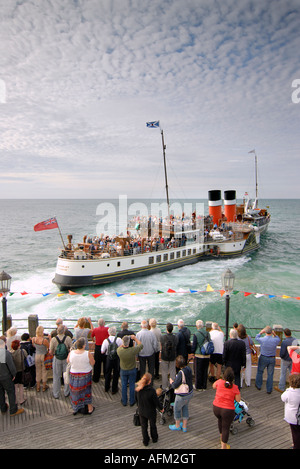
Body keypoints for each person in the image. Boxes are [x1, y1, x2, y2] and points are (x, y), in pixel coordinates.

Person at [212, 366, 241, 449]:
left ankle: (221, 438)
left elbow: (214, 386)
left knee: (220, 421)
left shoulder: (219, 382)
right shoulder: (235, 387)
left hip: (216, 408)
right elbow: (238, 400)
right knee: (226, 427)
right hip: (227, 410)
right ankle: (223, 446)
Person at [67, 337, 95, 415]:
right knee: (86, 391)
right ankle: (89, 408)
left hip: (74, 374)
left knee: (75, 392)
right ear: (83, 346)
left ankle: (75, 408)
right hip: (85, 375)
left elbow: (68, 361)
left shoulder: (71, 353)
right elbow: (92, 363)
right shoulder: (87, 353)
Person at [135, 372, 163, 446]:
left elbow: (137, 400)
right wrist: (161, 408)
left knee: (144, 427)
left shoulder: (138, 390)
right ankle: (154, 438)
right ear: (149, 381)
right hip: (151, 411)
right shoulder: (151, 391)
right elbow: (156, 401)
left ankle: (145, 441)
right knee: (152, 425)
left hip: (141, 411)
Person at [0, 338, 24, 417]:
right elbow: (11, 366)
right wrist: (14, 374)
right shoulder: (6, 354)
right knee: (11, 392)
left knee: (1, 393)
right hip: (6, 377)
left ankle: (3, 408)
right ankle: (13, 410)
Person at [169, 355, 193, 432]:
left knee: (177, 409)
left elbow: (175, 385)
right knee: (185, 408)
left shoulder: (181, 372)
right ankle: (185, 426)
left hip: (182, 395)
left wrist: (172, 382)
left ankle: (177, 425)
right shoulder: (188, 369)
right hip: (189, 392)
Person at [117, 335, 143, 407]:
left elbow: (120, 347)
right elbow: (141, 345)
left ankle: (124, 401)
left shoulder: (119, 351)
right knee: (132, 385)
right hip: (132, 369)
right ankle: (132, 401)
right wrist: (135, 338)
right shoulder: (132, 350)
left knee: (124, 385)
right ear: (129, 343)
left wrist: (123, 343)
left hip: (123, 370)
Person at [255, 326, 281, 394]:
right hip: (272, 358)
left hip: (263, 357)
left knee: (260, 371)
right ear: (271, 332)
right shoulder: (275, 340)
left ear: (265, 332)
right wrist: (274, 334)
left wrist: (260, 332)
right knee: (270, 374)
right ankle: (269, 389)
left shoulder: (262, 339)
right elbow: (278, 339)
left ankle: (258, 385)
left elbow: (256, 338)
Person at [49, 324, 73, 399]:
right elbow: (71, 348)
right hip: (66, 359)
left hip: (57, 359)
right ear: (64, 331)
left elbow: (50, 351)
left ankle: (56, 393)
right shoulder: (68, 338)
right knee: (66, 375)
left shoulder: (53, 339)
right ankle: (66, 392)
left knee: (56, 376)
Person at [281, 373, 300, 449]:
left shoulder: (289, 392)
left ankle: (296, 445)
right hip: (298, 415)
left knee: (295, 433)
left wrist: (288, 388)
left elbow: (283, 398)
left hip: (292, 417)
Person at [101, 326, 122, 394]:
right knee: (116, 373)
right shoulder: (119, 340)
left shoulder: (106, 340)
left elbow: (102, 351)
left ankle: (106, 388)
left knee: (107, 373)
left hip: (109, 358)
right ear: (115, 332)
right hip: (116, 358)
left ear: (108, 333)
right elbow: (122, 348)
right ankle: (114, 389)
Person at [191, 320, 211, 390]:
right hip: (207, 355)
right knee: (205, 371)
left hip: (199, 355)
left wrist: (193, 353)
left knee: (198, 371)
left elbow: (194, 346)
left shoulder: (196, 334)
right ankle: (204, 386)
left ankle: (198, 386)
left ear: (197, 326)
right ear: (203, 326)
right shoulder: (207, 333)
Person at [275, 328, 296, 393]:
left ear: (284, 334)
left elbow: (282, 353)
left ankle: (281, 387)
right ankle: (292, 386)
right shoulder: (295, 340)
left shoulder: (284, 342)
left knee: (283, 374)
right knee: (292, 373)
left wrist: (282, 357)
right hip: (293, 359)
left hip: (285, 360)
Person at [160, 322, 178, 390]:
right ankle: (172, 386)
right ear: (172, 329)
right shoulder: (175, 337)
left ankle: (164, 387)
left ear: (166, 329)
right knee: (172, 371)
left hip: (164, 356)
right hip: (172, 356)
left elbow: (161, 345)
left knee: (164, 372)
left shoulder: (162, 337)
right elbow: (176, 345)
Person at [32, 325, 50, 392]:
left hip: (37, 355)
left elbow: (33, 345)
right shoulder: (44, 340)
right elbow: (49, 347)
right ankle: (44, 387)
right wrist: (50, 338)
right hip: (44, 356)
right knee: (44, 371)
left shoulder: (33, 339)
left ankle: (38, 387)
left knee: (38, 371)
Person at [10, 340, 28, 406]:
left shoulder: (10, 353)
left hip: (13, 372)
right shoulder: (22, 351)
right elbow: (26, 356)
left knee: (14, 387)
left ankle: (15, 400)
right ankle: (21, 399)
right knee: (21, 386)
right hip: (21, 370)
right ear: (19, 346)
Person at [91, 318, 109, 382]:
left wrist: (94, 341)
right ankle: (106, 377)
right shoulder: (107, 329)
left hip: (98, 347)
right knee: (106, 363)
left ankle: (96, 378)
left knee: (97, 364)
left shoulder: (95, 329)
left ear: (98, 323)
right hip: (105, 347)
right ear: (104, 323)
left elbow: (92, 336)